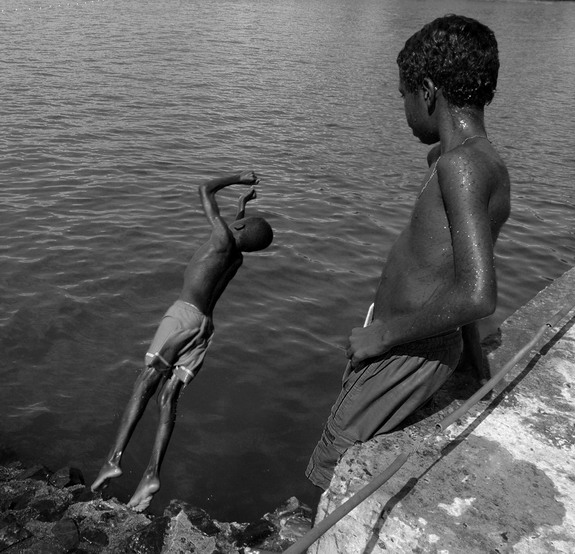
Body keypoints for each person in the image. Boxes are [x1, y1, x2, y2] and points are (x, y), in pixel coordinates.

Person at [306, 15, 510, 491]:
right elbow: (456, 269)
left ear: (428, 91)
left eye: (402, 95)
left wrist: (384, 336)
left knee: (333, 460)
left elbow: (478, 294)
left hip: (404, 348)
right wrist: (475, 368)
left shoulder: (461, 167)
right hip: (413, 343)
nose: (403, 107)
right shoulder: (459, 160)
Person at [91, 171, 273, 511]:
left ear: (240, 229)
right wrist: (241, 205)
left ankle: (113, 459)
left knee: (144, 383)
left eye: (242, 221)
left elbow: (203, 188)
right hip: (205, 328)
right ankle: (151, 475)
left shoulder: (221, 238)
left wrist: (237, 177)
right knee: (168, 399)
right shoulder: (236, 256)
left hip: (182, 317)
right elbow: (240, 233)